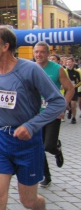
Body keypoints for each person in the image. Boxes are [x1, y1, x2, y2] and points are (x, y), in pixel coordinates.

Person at [0, 26, 66, 210]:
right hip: (0, 141)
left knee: (28, 200)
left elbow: (58, 102)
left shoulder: (30, 70)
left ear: (6, 46)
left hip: (27, 144)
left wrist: (32, 125)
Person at [33, 41, 74, 188]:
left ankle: (56, 148)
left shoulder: (57, 69)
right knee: (38, 146)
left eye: (42, 52)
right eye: (36, 52)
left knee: (48, 145)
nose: (38, 55)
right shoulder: (30, 68)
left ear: (48, 54)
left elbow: (70, 89)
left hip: (52, 112)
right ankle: (46, 176)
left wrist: (62, 108)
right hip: (35, 114)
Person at [66, 57, 81, 124]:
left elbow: (80, 81)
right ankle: (70, 111)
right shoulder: (64, 70)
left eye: (70, 62)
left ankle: (74, 117)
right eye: (67, 62)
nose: (68, 64)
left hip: (74, 90)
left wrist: (76, 85)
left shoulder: (77, 72)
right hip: (66, 89)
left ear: (73, 63)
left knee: (73, 103)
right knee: (68, 104)